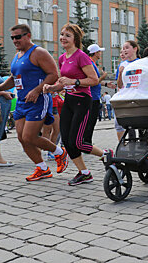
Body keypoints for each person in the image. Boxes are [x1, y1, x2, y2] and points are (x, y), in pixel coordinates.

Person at [0, 24, 68, 181]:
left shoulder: (38, 52)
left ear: (28, 35)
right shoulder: (18, 55)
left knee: (30, 137)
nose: (15, 40)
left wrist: (37, 90)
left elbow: (53, 74)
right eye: (12, 37)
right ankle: (42, 168)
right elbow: (14, 78)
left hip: (38, 100)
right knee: (21, 137)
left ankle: (60, 153)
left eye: (18, 37)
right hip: (22, 102)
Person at [43, 24, 108, 186]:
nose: (63, 38)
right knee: (66, 140)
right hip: (69, 101)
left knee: (78, 142)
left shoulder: (81, 56)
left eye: (68, 35)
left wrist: (74, 81)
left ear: (76, 39)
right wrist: (52, 87)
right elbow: (62, 81)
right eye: (62, 34)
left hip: (83, 101)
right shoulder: (62, 58)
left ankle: (106, 155)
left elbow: (93, 80)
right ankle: (84, 173)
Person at [116, 41, 140, 140]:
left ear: (135, 49)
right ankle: (127, 146)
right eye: (123, 48)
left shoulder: (141, 62)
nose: (124, 50)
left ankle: (146, 146)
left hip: (138, 97)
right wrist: (121, 72)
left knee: (141, 124)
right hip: (125, 97)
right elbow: (119, 85)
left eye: (127, 47)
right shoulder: (122, 64)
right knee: (124, 125)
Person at [85, 44, 108, 145]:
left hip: (94, 96)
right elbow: (94, 81)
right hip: (92, 97)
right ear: (95, 53)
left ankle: (86, 141)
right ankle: (87, 142)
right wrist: (104, 76)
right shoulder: (91, 64)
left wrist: (106, 84)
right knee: (90, 121)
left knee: (91, 121)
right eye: (99, 52)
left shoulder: (92, 63)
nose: (100, 54)